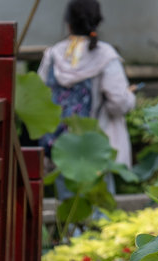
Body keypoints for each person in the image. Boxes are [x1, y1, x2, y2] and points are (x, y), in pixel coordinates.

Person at [37, 0, 136, 168]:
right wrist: (130, 96)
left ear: (68, 23)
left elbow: (40, 95)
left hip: (59, 147)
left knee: (65, 193)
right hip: (96, 149)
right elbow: (118, 102)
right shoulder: (105, 56)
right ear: (97, 21)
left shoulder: (53, 54)